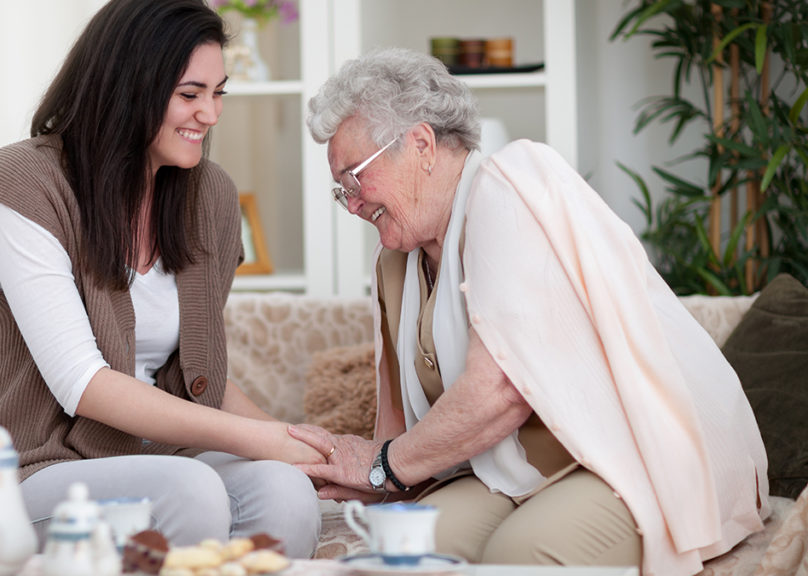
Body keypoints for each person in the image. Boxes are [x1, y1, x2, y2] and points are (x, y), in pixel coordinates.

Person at [289, 47, 770, 575]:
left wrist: (383, 467)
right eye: (342, 191)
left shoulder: (507, 190)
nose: (353, 203)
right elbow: (394, 431)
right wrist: (355, 477)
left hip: (619, 455)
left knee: (520, 559)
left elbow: (500, 390)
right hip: (506, 471)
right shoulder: (395, 263)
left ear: (421, 144)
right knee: (414, 551)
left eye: (355, 178)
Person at [0, 0, 322, 557]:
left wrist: (304, 448)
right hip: (41, 468)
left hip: (163, 458)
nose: (211, 114)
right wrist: (262, 440)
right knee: (190, 490)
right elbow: (81, 382)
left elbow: (199, 374)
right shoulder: (26, 181)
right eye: (189, 94)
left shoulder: (210, 195)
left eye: (217, 92)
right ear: (128, 86)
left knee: (285, 490)